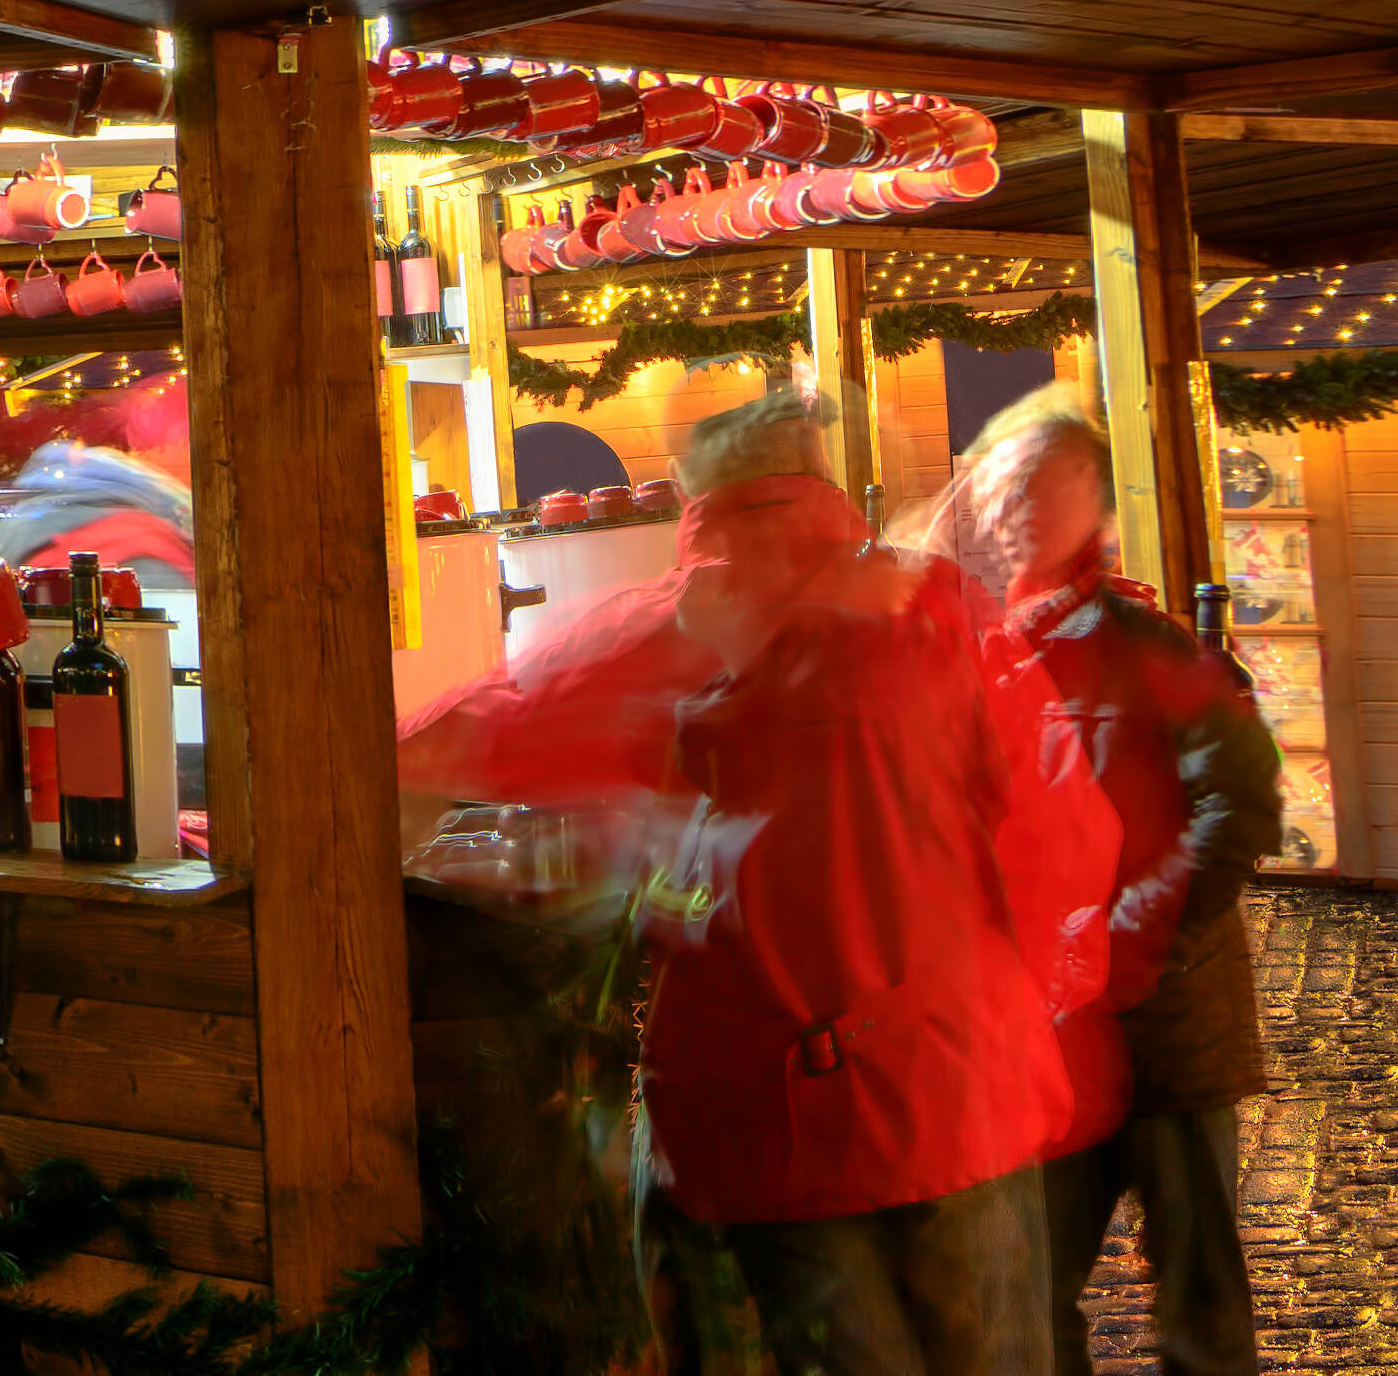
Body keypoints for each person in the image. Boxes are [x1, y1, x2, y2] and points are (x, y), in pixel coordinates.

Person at [400, 387, 1078, 1376]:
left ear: (695, 489)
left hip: (776, 1104)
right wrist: (1016, 996)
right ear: (823, 477)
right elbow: (1061, 826)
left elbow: (458, 739)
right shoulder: (946, 606)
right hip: (968, 1079)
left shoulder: (655, 629)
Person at [933, 396, 1272, 1376]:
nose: (1011, 514)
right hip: (1041, 1039)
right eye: (998, 492)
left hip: (1168, 1024)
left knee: (1200, 1311)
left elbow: (1239, 805)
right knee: (1027, 1304)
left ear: (1092, 498)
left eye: (1039, 489)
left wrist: (1124, 932)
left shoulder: (1153, 646)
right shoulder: (982, 652)